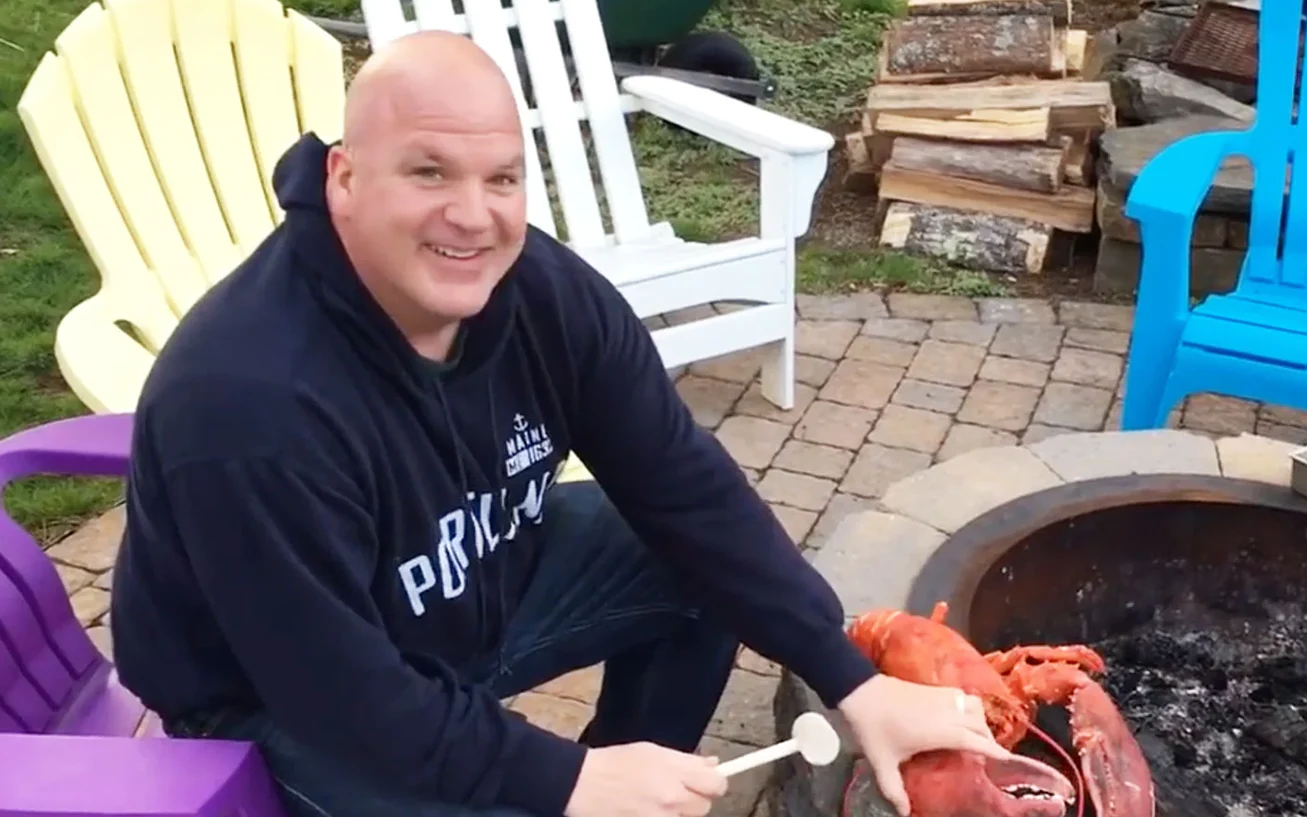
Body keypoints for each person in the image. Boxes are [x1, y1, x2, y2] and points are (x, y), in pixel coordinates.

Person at [108, 29, 1011, 817]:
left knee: (688, 561)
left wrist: (851, 679)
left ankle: (633, 781)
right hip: (272, 699)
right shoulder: (246, 401)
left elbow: (688, 492)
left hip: (467, 601)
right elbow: (340, 693)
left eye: (501, 178)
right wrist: (564, 779)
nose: (473, 217)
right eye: (429, 171)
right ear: (344, 178)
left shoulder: (539, 292)